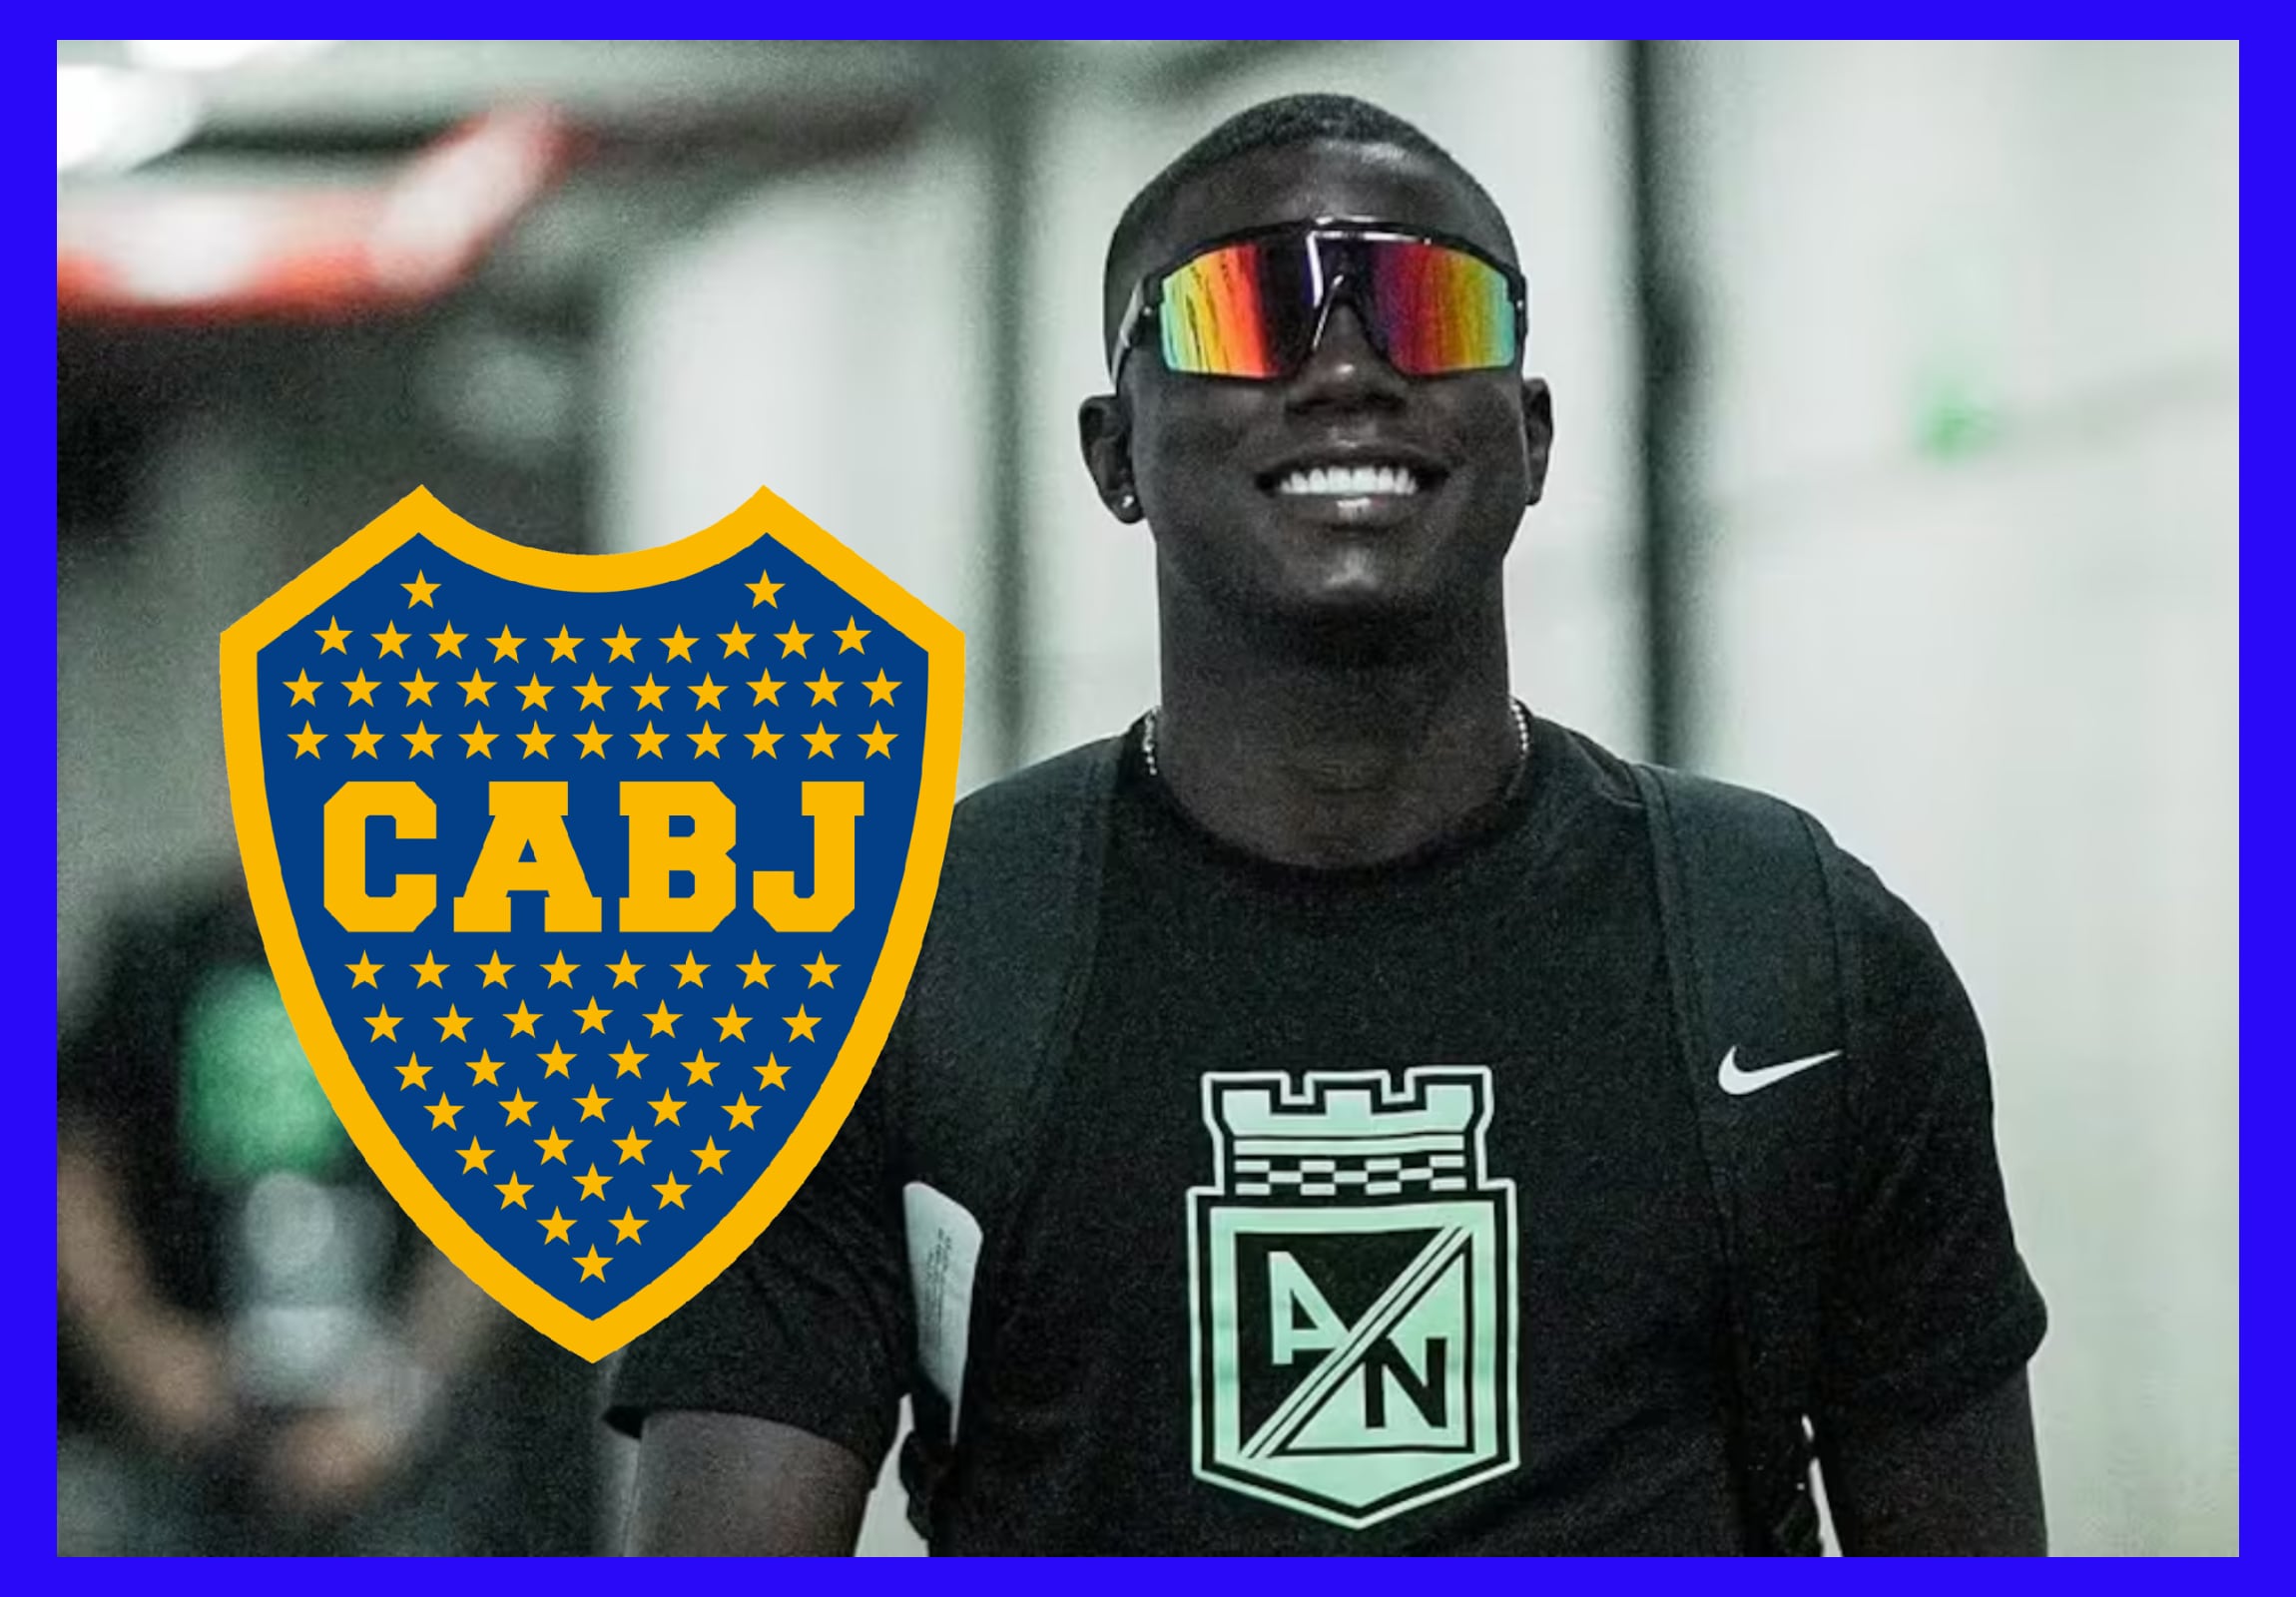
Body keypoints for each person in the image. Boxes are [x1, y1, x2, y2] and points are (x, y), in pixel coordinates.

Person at [604, 93, 2047, 1555]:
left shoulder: (1798, 955)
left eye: (1431, 307)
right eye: (1244, 312)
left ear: (1533, 433)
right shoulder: (876, 972)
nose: (1348, 368)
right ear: (1114, 452)